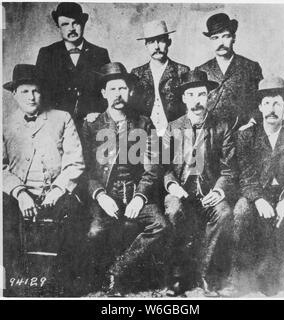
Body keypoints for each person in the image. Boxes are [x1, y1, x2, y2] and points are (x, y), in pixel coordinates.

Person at [82, 62, 167, 296]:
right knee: (95, 231)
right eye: (112, 89)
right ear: (103, 93)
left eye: (122, 89)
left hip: (135, 192)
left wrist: (140, 197)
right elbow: (87, 170)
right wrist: (100, 196)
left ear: (129, 91)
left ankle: (117, 271)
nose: (117, 94)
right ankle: (95, 279)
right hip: (106, 195)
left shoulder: (143, 122)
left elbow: (154, 166)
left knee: (160, 225)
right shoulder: (92, 125)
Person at [3, 64, 85, 296]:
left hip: (57, 190)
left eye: (36, 91)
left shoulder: (62, 118)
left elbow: (75, 161)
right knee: (5, 222)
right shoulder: (4, 123)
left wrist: (58, 190)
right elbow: (0, 168)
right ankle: (18, 285)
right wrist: (19, 193)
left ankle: (60, 286)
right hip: (18, 194)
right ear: (15, 94)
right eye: (25, 91)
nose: (31, 96)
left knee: (75, 218)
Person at [162, 70, 236, 296]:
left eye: (201, 95)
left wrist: (219, 191)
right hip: (180, 191)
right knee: (174, 210)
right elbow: (163, 167)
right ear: (184, 98)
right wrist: (172, 185)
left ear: (209, 97)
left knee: (224, 213)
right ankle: (178, 277)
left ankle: (206, 275)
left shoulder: (222, 126)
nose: (197, 101)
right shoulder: (173, 127)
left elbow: (229, 168)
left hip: (208, 193)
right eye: (191, 95)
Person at [227, 77, 284, 297]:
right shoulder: (246, 135)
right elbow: (246, 175)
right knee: (240, 211)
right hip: (253, 193)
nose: (272, 109)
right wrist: (258, 199)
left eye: (277, 103)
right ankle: (237, 278)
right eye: (267, 103)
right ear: (259, 107)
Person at [36, 2, 111, 129]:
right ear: (58, 27)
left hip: (92, 123)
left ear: (83, 24)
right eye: (65, 24)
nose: (71, 28)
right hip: (57, 125)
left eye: (75, 23)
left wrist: (99, 114)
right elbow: (39, 90)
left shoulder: (100, 53)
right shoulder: (47, 53)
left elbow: (109, 89)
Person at [195, 13, 263, 128]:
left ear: (234, 38)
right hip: (210, 134)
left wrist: (252, 122)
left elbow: (262, 99)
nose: (220, 43)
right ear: (210, 41)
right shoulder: (201, 70)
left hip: (242, 133)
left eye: (225, 36)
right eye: (215, 38)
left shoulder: (250, 67)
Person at [131, 20, 190, 137]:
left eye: (161, 40)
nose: (156, 46)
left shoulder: (182, 71)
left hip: (175, 135)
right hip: (144, 136)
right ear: (146, 45)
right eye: (151, 42)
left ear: (169, 42)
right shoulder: (136, 73)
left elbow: (189, 107)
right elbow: (131, 109)